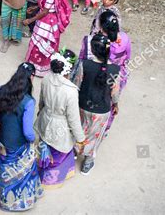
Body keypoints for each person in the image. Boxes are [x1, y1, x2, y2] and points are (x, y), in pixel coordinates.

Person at [35, 51, 86, 189]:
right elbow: (73, 119)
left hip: (45, 119)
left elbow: (42, 102)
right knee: (58, 152)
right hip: (60, 127)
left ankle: (41, 171)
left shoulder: (46, 79)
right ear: (69, 70)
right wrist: (80, 138)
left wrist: (41, 115)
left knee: (45, 146)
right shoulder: (71, 90)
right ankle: (50, 180)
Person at [0, 62, 43, 211]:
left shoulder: (2, 91)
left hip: (0, 139)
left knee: (5, 168)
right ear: (32, 77)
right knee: (29, 163)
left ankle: (4, 199)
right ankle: (20, 201)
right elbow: (28, 132)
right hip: (17, 144)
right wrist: (33, 140)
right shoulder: (28, 102)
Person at [73, 34, 120, 175]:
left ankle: (74, 152)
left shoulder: (85, 64)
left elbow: (76, 83)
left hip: (82, 106)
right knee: (94, 135)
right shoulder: (115, 70)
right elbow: (115, 92)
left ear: (92, 50)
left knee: (79, 128)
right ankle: (87, 163)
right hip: (102, 110)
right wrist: (116, 105)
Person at [79, 11, 131, 135]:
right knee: (108, 100)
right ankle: (102, 130)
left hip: (95, 74)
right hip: (116, 76)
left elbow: (83, 59)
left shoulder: (95, 41)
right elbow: (127, 58)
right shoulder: (125, 38)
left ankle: (82, 131)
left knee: (90, 99)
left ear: (101, 26)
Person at [24, 0, 71, 78]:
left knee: (38, 43)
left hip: (46, 22)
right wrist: (35, 7)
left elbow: (45, 11)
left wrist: (30, 20)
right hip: (52, 21)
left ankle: (36, 68)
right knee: (47, 44)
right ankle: (43, 67)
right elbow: (47, 7)